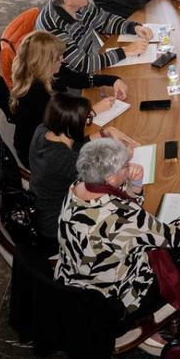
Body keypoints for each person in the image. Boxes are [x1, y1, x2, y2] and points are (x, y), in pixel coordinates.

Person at [55, 138, 180, 317]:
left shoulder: (77, 189)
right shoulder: (121, 215)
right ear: (109, 177)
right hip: (114, 299)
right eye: (125, 165)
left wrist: (134, 186)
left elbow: (118, 212)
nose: (130, 166)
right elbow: (176, 237)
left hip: (78, 280)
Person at [28, 93, 138, 249]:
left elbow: (74, 146)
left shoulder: (43, 131)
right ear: (73, 125)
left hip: (42, 208)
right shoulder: (66, 161)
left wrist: (103, 134)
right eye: (87, 120)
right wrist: (124, 156)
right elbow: (107, 180)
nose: (88, 123)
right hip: (58, 227)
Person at [6, 31, 128, 167]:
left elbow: (81, 79)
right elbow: (62, 126)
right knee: (110, 160)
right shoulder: (34, 93)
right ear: (44, 63)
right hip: (41, 155)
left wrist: (113, 80)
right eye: (57, 58)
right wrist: (92, 111)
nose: (62, 60)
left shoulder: (51, 71)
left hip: (57, 139)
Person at [36, 0, 153, 78]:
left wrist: (134, 28)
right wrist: (126, 51)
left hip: (91, 56)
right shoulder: (53, 29)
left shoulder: (79, 4)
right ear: (67, 0)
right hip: (71, 78)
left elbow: (104, 20)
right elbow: (83, 64)